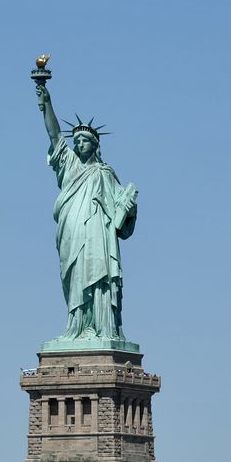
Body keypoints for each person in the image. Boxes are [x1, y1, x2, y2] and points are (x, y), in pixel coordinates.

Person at [36, 79, 137, 343]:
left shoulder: (105, 173)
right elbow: (55, 135)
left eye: (84, 141)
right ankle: (77, 327)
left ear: (95, 145)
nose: (79, 144)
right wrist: (46, 102)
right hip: (71, 230)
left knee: (99, 277)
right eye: (77, 140)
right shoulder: (68, 164)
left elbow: (121, 217)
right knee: (75, 276)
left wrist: (129, 206)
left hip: (97, 236)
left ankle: (103, 328)